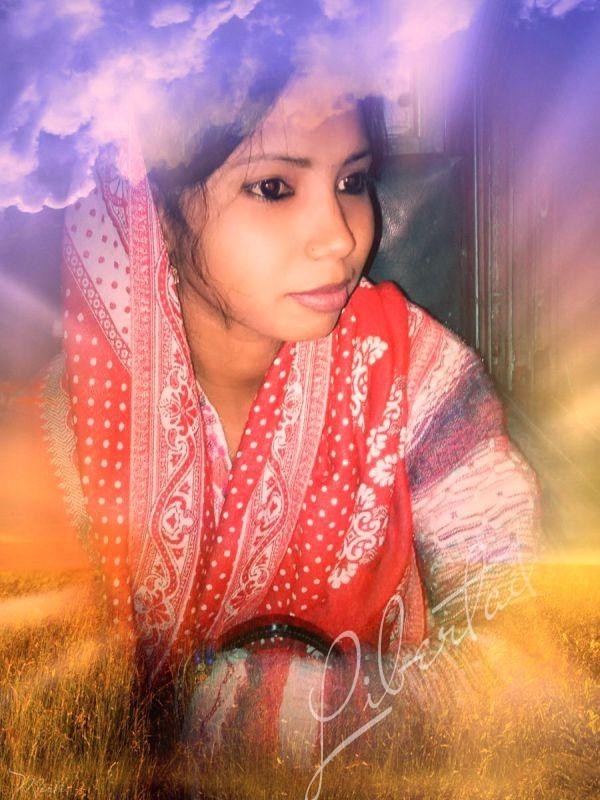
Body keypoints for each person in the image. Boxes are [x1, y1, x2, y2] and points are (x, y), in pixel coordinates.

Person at [39, 8, 538, 775]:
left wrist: (268, 721)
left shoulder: (410, 369)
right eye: (273, 186)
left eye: (353, 182)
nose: (340, 236)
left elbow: (522, 630)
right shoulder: (61, 439)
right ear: (148, 206)